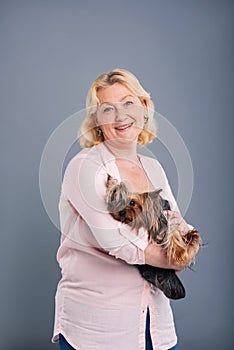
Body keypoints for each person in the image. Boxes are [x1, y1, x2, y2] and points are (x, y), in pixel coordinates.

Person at [52, 68, 192, 350]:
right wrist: (176, 258)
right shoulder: (85, 166)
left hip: (155, 324)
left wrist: (183, 242)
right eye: (108, 109)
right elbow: (114, 240)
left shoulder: (153, 168)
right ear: (96, 121)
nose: (120, 116)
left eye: (128, 103)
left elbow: (179, 225)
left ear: (144, 107)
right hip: (97, 330)